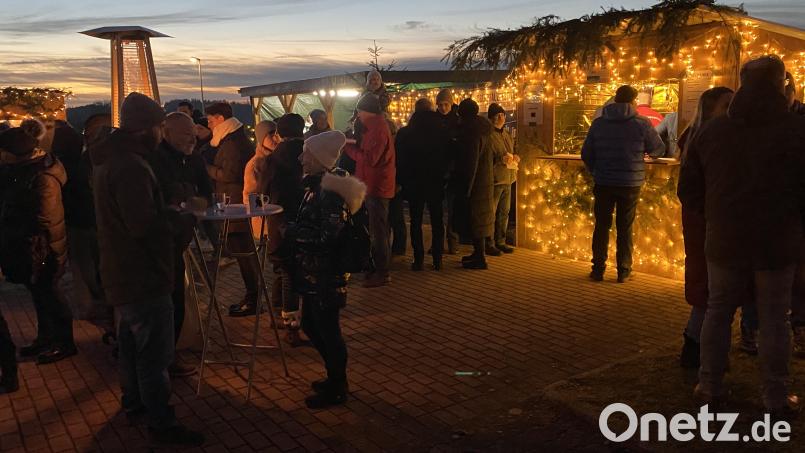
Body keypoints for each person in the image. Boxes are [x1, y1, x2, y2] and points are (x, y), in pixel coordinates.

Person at [679, 56, 805, 416]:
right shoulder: (797, 131)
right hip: (777, 240)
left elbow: (689, 189)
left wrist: (717, 214)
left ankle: (709, 386)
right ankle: (775, 395)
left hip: (724, 239)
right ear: (780, 83)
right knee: (775, 318)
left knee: (718, 312)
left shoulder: (713, 131)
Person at [92, 92, 203, 446]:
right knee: (154, 355)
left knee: (130, 346)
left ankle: (135, 404)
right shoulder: (131, 167)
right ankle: (161, 422)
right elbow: (144, 225)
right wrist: (181, 215)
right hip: (142, 273)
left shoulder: (111, 159)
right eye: (158, 126)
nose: (160, 133)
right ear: (146, 128)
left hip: (121, 270)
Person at [288, 130, 366, 409]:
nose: (301, 158)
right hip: (314, 271)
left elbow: (328, 237)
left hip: (326, 274)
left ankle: (337, 385)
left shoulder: (329, 193)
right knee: (312, 324)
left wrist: (293, 234)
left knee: (328, 330)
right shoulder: (316, 186)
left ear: (320, 159)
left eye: (307, 154)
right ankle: (334, 377)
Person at [0, 121, 75, 365]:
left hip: (44, 247)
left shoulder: (43, 176)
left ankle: (65, 342)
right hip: (31, 245)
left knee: (50, 293)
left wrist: (43, 246)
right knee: (40, 294)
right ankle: (46, 338)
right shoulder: (21, 170)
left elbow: (46, 217)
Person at [147, 112, 213, 377]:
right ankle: (161, 361)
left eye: (194, 135)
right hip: (160, 241)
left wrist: (198, 205)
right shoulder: (155, 159)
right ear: (166, 132)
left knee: (175, 301)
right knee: (164, 302)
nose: (192, 140)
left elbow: (207, 193)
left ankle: (168, 354)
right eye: (186, 135)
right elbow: (160, 199)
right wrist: (185, 202)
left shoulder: (194, 158)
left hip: (180, 239)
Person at [675, 86, 734, 369]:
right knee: (711, 285)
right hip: (706, 221)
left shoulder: (695, 136)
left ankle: (698, 345)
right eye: (727, 105)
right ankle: (697, 347)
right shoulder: (706, 139)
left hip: (705, 219)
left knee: (712, 285)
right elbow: (691, 190)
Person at [581, 85, 665, 283]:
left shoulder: (599, 123)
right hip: (630, 183)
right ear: (634, 101)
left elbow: (586, 153)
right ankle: (623, 270)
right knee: (625, 227)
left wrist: (596, 171)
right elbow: (658, 149)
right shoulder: (641, 123)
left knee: (602, 226)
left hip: (604, 182)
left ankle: (598, 269)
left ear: (615, 99)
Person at [204, 102, 260, 316]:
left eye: (210, 120)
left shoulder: (233, 143)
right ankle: (252, 296)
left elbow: (230, 174)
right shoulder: (231, 138)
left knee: (244, 253)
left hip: (236, 206)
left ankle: (253, 298)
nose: (208, 124)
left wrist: (207, 168)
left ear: (220, 118)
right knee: (243, 253)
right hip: (234, 205)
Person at [257, 114, 306, 345]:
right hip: (303, 219)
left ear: (279, 133)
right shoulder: (308, 155)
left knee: (285, 271)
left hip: (278, 220)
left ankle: (281, 317)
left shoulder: (272, 159)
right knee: (297, 274)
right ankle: (294, 328)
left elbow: (261, 194)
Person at [344, 94, 395, 288]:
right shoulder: (373, 127)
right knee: (376, 229)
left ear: (367, 111)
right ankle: (378, 268)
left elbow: (370, 159)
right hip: (372, 184)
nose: (358, 115)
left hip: (376, 186)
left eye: (360, 111)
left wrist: (349, 149)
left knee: (378, 231)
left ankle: (383, 272)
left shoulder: (377, 129)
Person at [396, 98, 449, 270]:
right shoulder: (442, 131)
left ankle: (418, 259)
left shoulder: (405, 133)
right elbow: (448, 156)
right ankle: (437, 259)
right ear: (432, 109)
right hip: (435, 181)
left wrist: (402, 181)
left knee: (416, 220)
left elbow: (400, 160)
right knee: (437, 220)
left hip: (414, 182)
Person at [453, 99, 495, 270]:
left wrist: (466, 188)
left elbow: (471, 162)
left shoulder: (471, 132)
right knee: (481, 219)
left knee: (476, 219)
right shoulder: (484, 129)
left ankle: (480, 257)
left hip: (475, 183)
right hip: (485, 180)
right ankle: (478, 254)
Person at [487, 103, 518, 255]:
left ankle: (501, 241)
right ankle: (489, 242)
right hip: (495, 179)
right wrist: (500, 159)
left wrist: (515, 157)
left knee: (504, 212)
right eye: (497, 115)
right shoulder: (488, 135)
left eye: (502, 115)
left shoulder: (506, 134)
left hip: (508, 177)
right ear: (491, 118)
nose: (500, 117)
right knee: (491, 213)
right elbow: (486, 157)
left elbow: (512, 150)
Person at [436, 89, 460, 255]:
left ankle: (453, 242)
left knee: (452, 209)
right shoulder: (433, 120)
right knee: (437, 209)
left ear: (451, 104)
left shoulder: (457, 121)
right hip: (437, 170)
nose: (443, 108)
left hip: (452, 171)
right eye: (440, 105)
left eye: (446, 104)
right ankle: (437, 243)